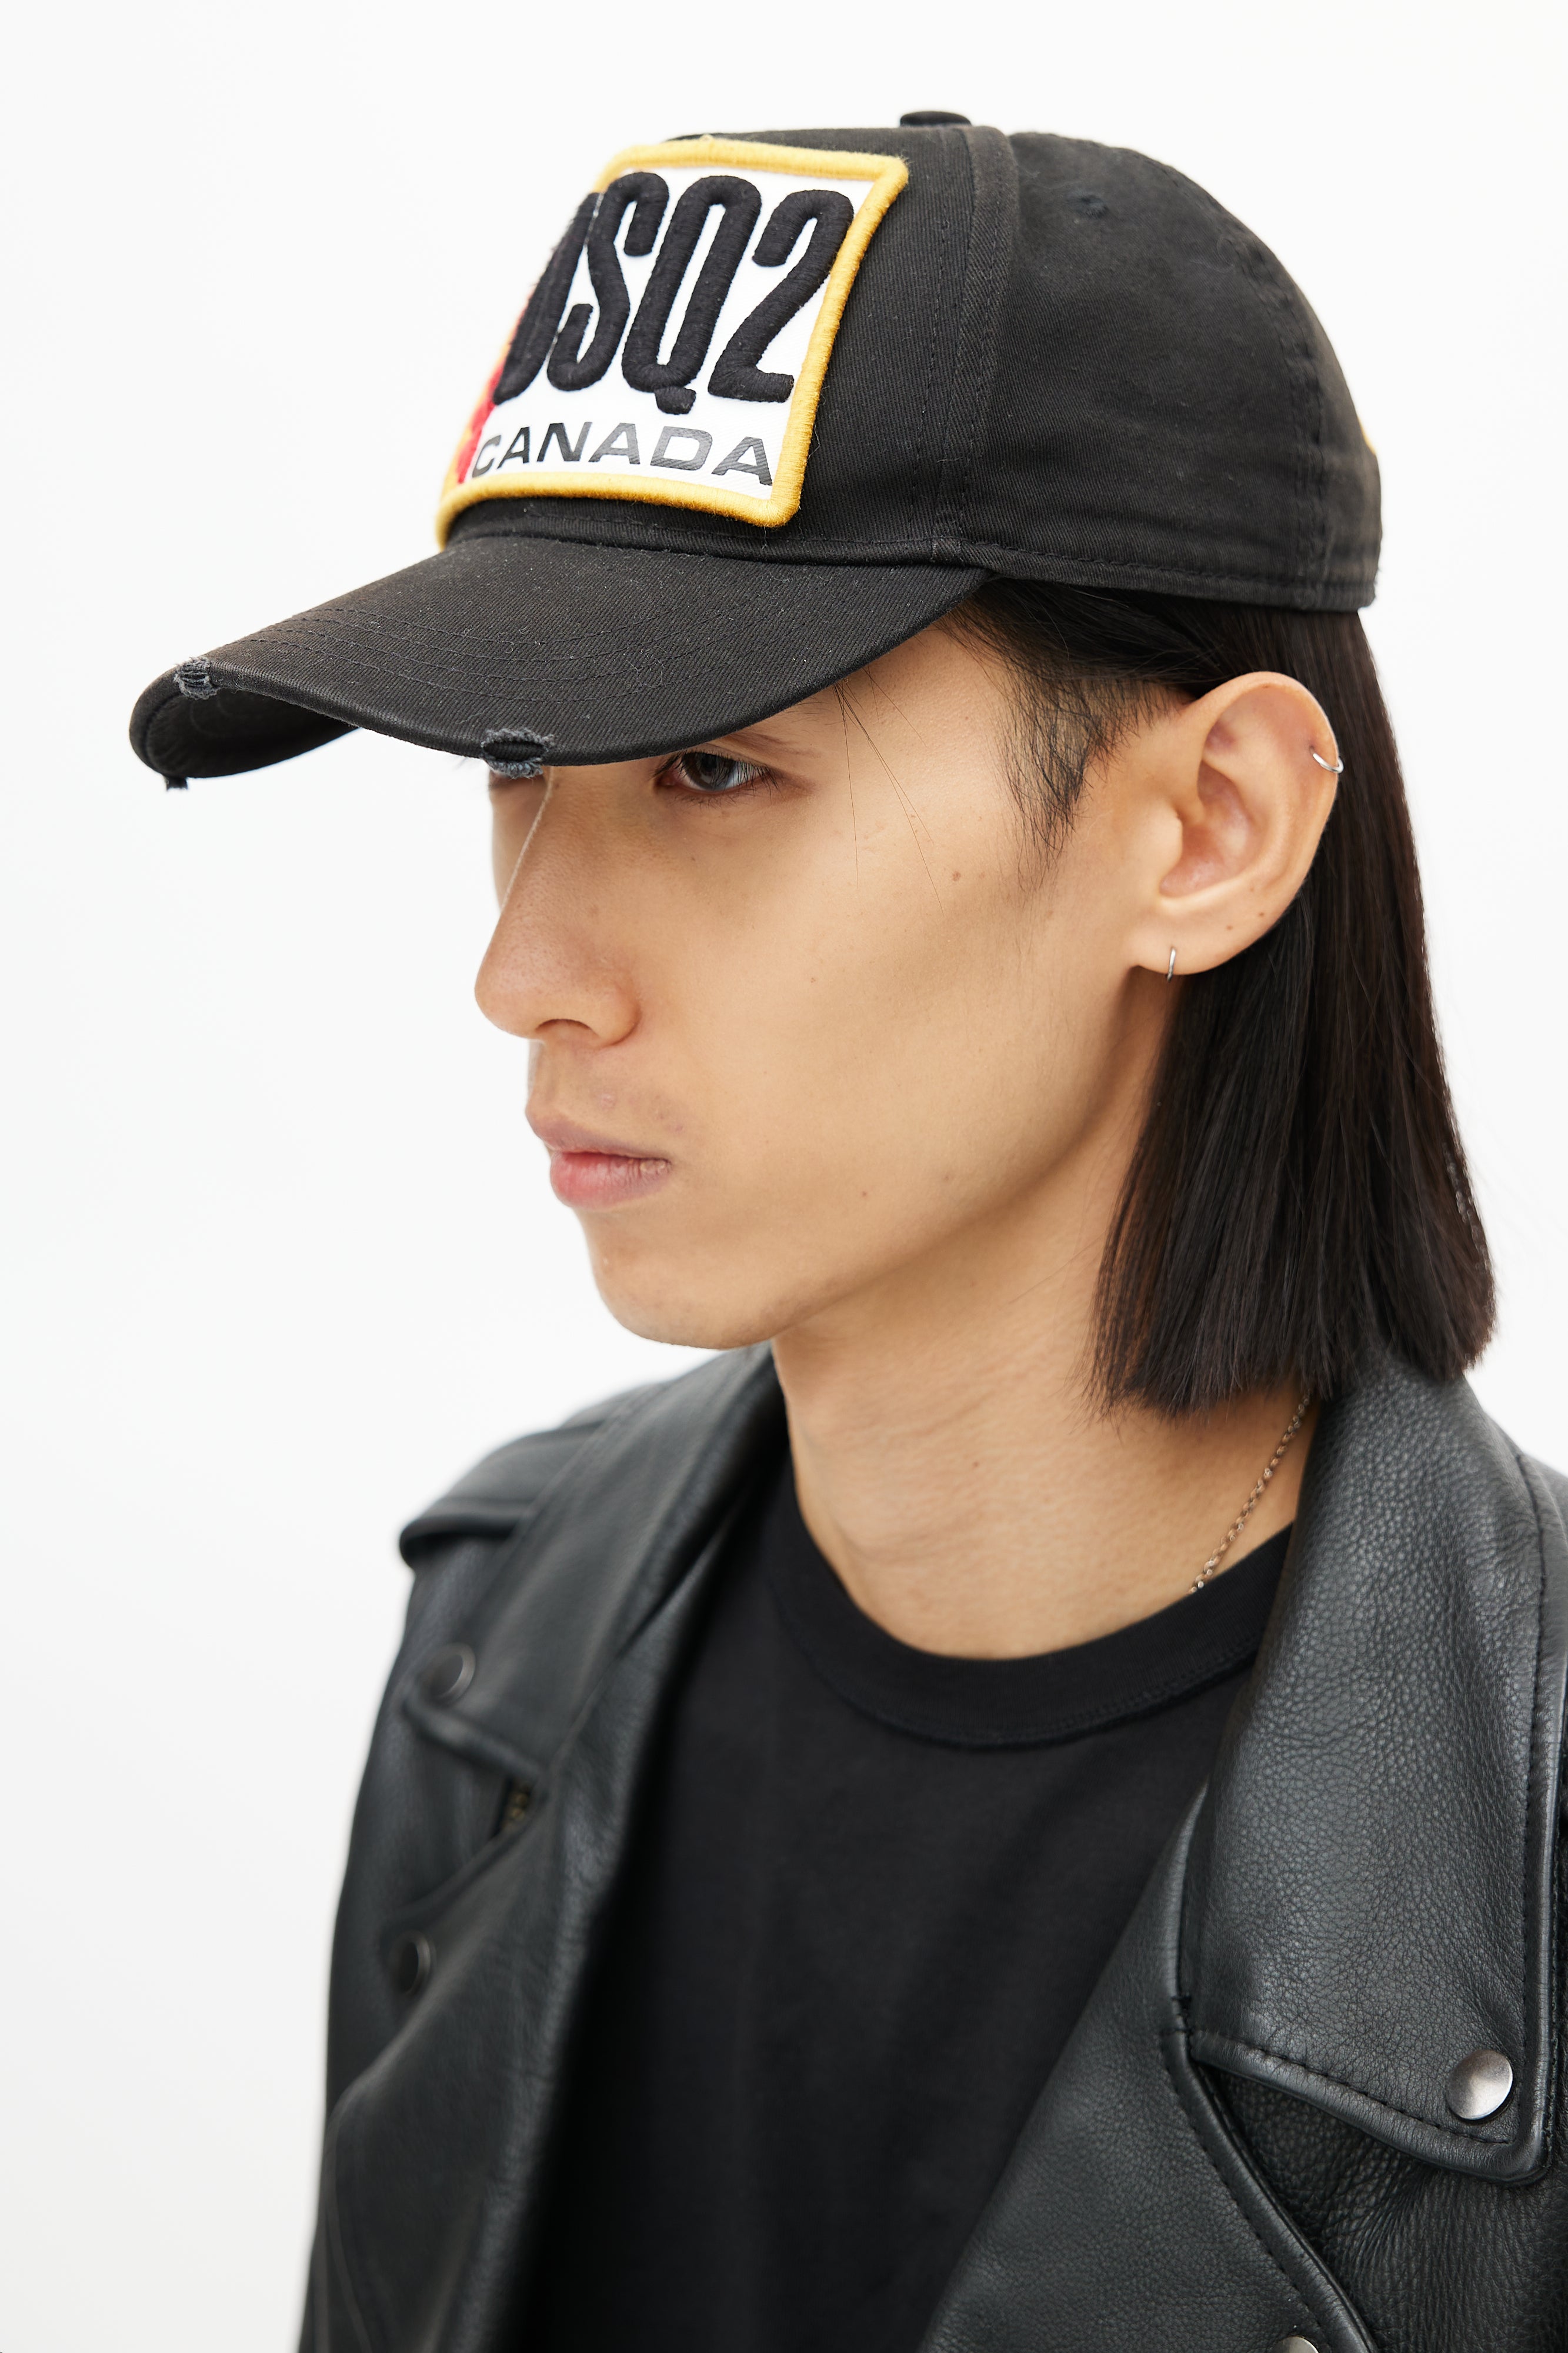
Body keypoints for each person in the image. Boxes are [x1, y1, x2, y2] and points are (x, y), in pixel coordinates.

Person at [131, 117, 1568, 2353]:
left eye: (714, 769)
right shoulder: (498, 1654)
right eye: (517, 769)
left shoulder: (1524, 1859)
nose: (525, 972)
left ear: (1204, 829)